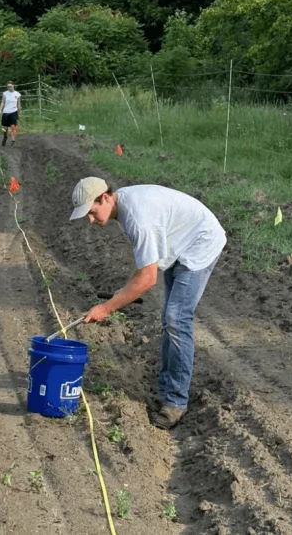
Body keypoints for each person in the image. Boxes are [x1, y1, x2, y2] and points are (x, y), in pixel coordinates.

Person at [68, 177, 225, 429]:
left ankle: (175, 402)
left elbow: (148, 278)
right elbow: (144, 265)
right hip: (181, 240)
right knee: (170, 319)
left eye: (92, 211)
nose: (90, 220)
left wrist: (107, 308)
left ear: (105, 198)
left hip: (200, 242)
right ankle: (166, 387)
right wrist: (119, 295)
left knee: (176, 318)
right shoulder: (124, 207)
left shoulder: (137, 218)